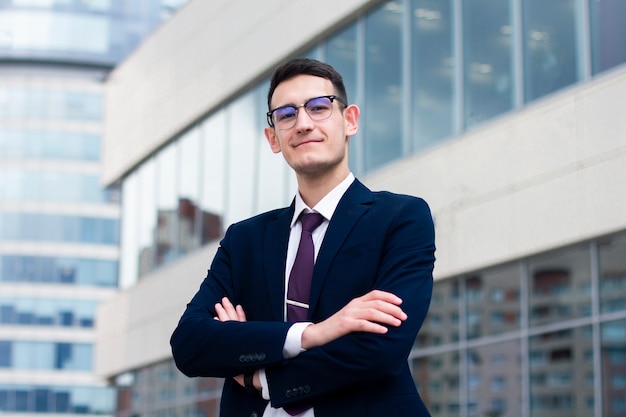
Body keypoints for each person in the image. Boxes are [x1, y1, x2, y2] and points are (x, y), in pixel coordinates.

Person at [170, 57, 435, 417]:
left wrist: (260, 378)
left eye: (319, 107)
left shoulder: (401, 218)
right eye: (286, 114)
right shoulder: (244, 240)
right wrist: (313, 333)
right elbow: (190, 345)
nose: (303, 123)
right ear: (273, 137)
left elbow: (380, 351)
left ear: (350, 120)